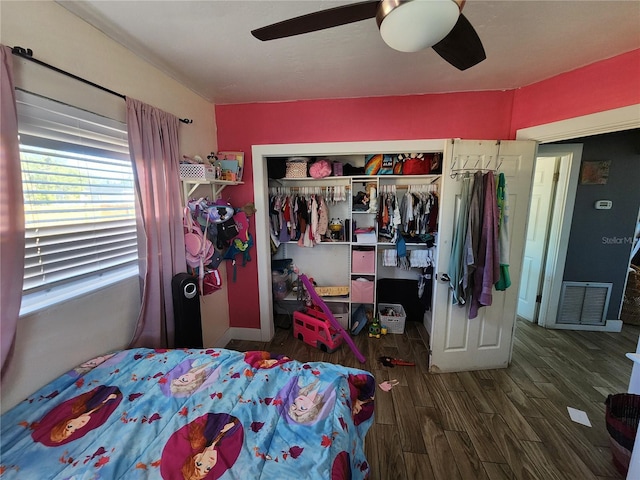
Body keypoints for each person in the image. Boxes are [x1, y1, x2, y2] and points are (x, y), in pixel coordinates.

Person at [180, 414, 241, 480]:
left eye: (199, 464)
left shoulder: (209, 432)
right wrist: (233, 423)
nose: (209, 463)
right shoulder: (227, 435)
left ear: (195, 457)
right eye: (207, 468)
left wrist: (233, 423)